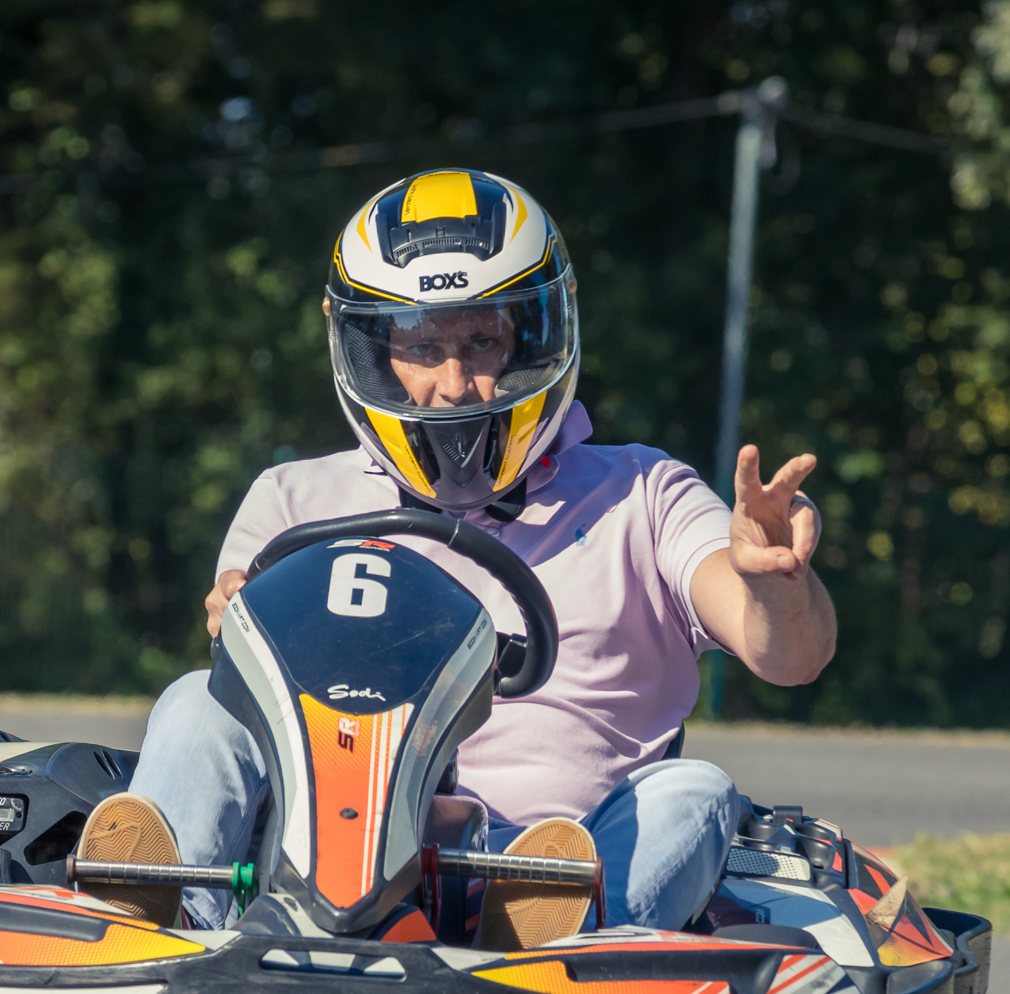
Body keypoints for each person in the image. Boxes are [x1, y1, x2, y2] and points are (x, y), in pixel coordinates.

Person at [79, 168, 835, 942]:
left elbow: (788, 656)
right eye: (421, 346)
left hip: (545, 863)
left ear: (537, 336)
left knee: (695, 792)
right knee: (198, 701)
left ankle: (538, 951)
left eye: (482, 340)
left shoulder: (643, 494)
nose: (454, 384)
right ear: (370, 351)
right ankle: (162, 927)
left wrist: (773, 578)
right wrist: (236, 623)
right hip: (311, 854)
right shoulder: (293, 501)